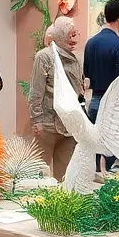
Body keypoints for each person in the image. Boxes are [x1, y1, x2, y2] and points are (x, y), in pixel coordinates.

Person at [29, 16, 84, 179]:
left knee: (65, 176)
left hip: (69, 125)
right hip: (47, 124)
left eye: (75, 34)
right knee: (41, 174)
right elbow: (36, 92)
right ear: (59, 35)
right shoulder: (44, 56)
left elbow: (78, 90)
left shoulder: (76, 58)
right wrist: (37, 120)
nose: (73, 40)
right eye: (69, 35)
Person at [84, 0, 119, 173]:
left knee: (94, 157)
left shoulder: (91, 43)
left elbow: (87, 75)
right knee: (113, 159)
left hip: (94, 102)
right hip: (113, 105)